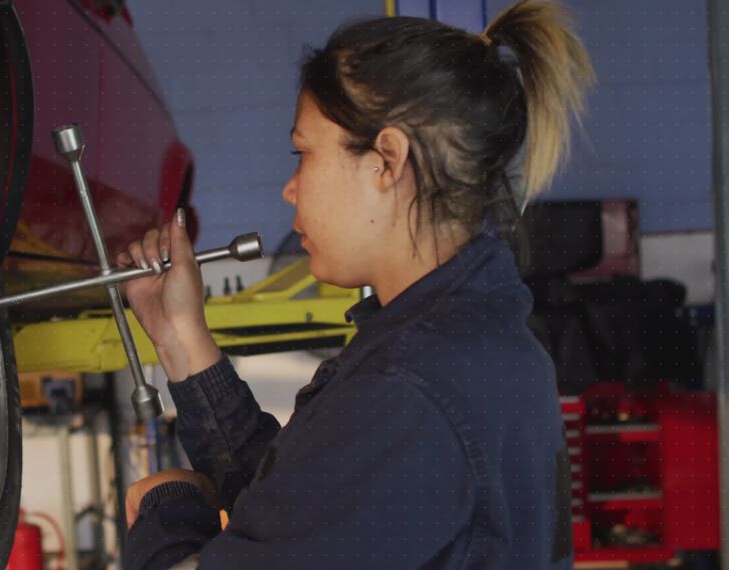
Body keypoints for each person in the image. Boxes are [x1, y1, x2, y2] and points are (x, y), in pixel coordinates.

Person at [114, 1, 594, 568]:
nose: (291, 189)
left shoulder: (412, 385)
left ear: (386, 160)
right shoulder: (468, 346)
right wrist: (180, 337)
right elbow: (308, 506)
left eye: (304, 154)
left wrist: (170, 508)